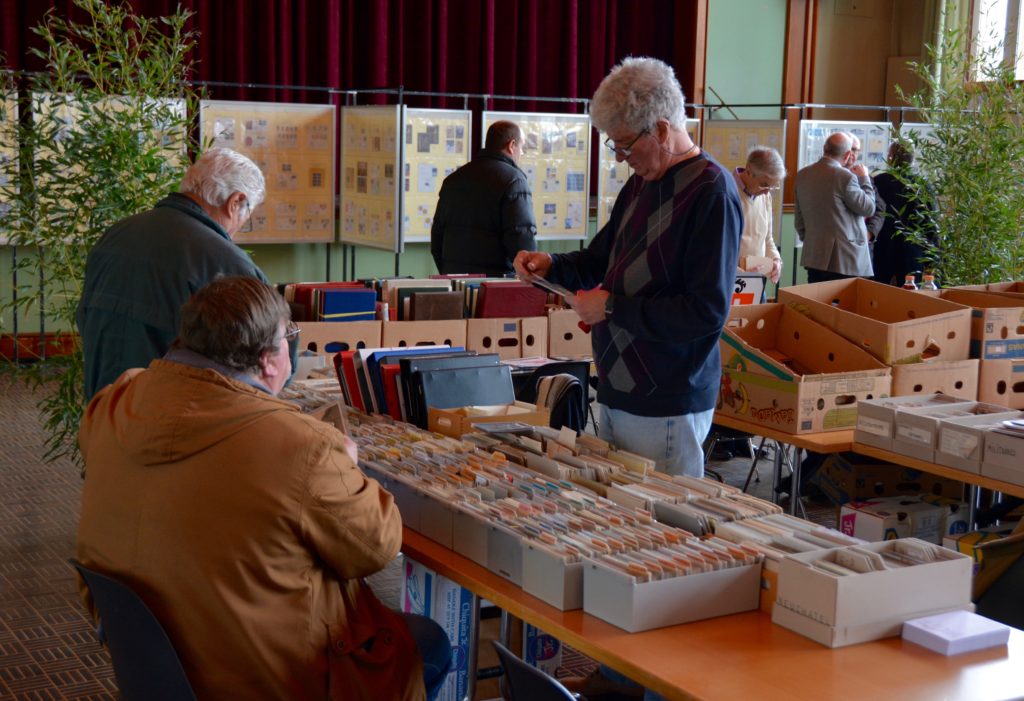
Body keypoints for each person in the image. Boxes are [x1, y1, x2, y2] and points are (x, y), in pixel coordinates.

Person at [76, 276, 452, 701]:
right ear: (269, 360)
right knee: (428, 643)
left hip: (155, 666)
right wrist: (344, 464)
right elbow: (377, 547)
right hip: (270, 676)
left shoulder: (115, 401)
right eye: (289, 337)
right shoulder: (301, 446)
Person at [514, 57, 742, 480]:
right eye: (613, 146)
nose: (620, 159)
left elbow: (706, 312)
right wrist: (551, 264)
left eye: (624, 145)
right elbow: (601, 259)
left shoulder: (712, 191)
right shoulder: (643, 182)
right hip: (619, 392)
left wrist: (613, 309)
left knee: (662, 532)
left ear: (660, 129)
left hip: (668, 400)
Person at [77, 147, 271, 400]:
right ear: (235, 202)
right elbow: (266, 359)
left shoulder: (116, 234)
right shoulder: (224, 261)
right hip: (167, 415)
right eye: (248, 215)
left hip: (103, 404)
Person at [431, 120, 537, 276]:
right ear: (511, 145)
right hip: (496, 284)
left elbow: (437, 239)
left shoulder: (453, 180)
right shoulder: (515, 181)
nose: (521, 153)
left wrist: (450, 273)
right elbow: (522, 242)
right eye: (521, 147)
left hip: (454, 281)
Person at [794, 131, 876, 283]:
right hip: (846, 260)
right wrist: (864, 178)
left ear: (824, 149)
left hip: (815, 257)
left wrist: (812, 240)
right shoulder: (845, 177)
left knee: (818, 304)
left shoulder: (802, 175)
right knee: (843, 306)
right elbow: (868, 208)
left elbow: (799, 218)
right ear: (847, 155)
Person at [871, 142, 938, 286]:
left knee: (878, 294)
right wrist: (932, 256)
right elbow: (930, 223)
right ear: (912, 159)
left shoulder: (879, 181)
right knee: (911, 293)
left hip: (883, 248)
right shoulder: (923, 185)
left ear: (890, 158)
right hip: (913, 249)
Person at [733, 146, 786, 284]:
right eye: (764, 184)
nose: (767, 192)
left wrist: (776, 260)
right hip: (731, 280)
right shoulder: (727, 192)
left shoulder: (765, 196)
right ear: (749, 170)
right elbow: (715, 250)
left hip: (756, 280)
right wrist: (741, 273)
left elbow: (767, 239)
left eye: (773, 186)